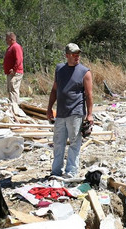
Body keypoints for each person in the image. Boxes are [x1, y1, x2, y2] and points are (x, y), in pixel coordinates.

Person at [46, 43, 93, 178]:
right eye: (74, 54)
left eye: (78, 54)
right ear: (67, 55)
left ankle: (71, 172)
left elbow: (89, 95)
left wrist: (89, 115)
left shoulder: (85, 72)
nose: (77, 56)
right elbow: (55, 89)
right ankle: (56, 171)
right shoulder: (59, 69)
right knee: (58, 143)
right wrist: (49, 108)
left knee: (74, 143)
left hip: (76, 112)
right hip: (61, 113)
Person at [3, 32, 23, 105]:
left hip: (15, 73)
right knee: (10, 90)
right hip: (10, 73)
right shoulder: (10, 47)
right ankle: (12, 105)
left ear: (11, 39)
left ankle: (15, 107)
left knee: (13, 89)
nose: (6, 40)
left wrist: (14, 70)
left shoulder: (16, 47)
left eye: (7, 39)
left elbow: (19, 59)